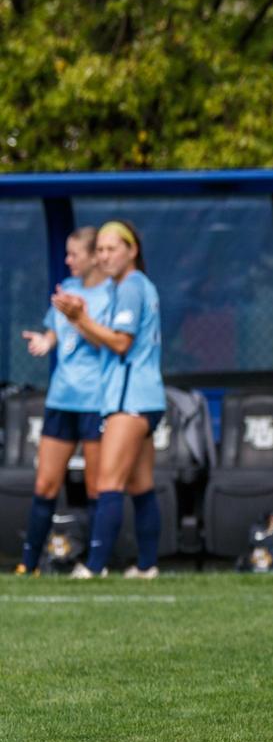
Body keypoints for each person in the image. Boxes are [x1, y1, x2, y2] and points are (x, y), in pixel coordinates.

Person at [52, 221, 166, 579]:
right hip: (143, 396)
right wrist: (77, 320)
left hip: (130, 398)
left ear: (132, 250)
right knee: (140, 485)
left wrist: (80, 317)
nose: (103, 256)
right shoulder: (125, 287)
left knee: (108, 483)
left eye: (110, 249)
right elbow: (107, 340)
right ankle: (147, 566)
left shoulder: (132, 286)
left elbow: (120, 342)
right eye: (99, 250)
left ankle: (95, 566)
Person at [16, 228, 109, 575]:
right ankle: (29, 564)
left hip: (95, 400)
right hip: (61, 398)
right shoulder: (67, 289)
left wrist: (78, 319)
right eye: (67, 254)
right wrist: (47, 340)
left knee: (97, 487)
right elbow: (58, 329)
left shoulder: (111, 293)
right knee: (45, 484)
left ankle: (95, 563)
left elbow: (109, 342)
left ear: (93, 256)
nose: (68, 261)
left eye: (74, 254)